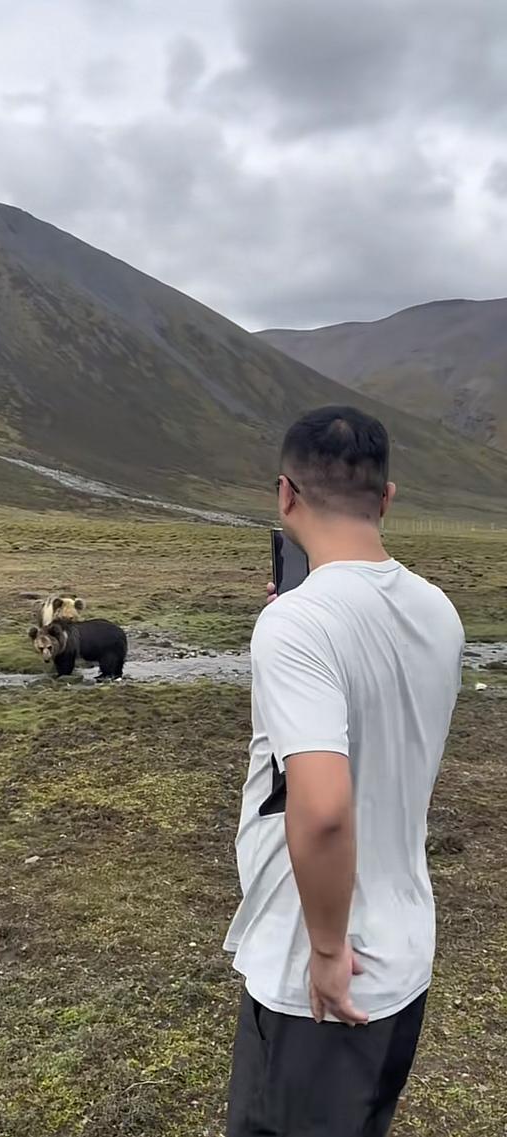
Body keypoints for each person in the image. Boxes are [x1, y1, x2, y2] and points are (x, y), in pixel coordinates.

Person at [224, 406, 464, 1137]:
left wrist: (327, 950)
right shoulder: (441, 612)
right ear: (386, 498)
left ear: (285, 494)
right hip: (402, 953)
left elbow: (323, 806)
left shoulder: (297, 623)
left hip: (321, 973)